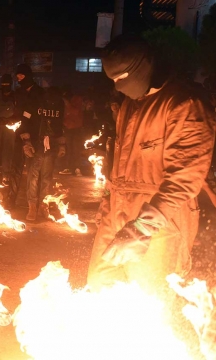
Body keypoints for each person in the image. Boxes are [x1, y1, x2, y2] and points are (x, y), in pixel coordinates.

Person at [87, 36, 216, 294]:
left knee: (147, 298)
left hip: (162, 223)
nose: (118, 86)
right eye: (112, 80)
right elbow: (120, 166)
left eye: (122, 76)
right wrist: (107, 204)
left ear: (145, 66)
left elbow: (185, 177)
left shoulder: (185, 103)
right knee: (100, 288)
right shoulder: (130, 105)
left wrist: (142, 228)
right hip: (117, 215)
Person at [13, 65, 66, 221]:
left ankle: (44, 205)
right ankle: (32, 207)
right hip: (36, 143)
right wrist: (27, 141)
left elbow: (59, 125)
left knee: (47, 177)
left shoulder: (58, 105)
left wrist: (61, 144)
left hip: (50, 147)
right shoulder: (35, 102)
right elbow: (25, 120)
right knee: (33, 176)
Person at [58, 89, 84, 176]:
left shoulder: (77, 99)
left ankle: (77, 168)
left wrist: (67, 103)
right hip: (68, 128)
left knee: (76, 149)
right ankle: (68, 168)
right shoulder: (65, 102)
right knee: (68, 149)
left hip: (77, 128)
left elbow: (75, 112)